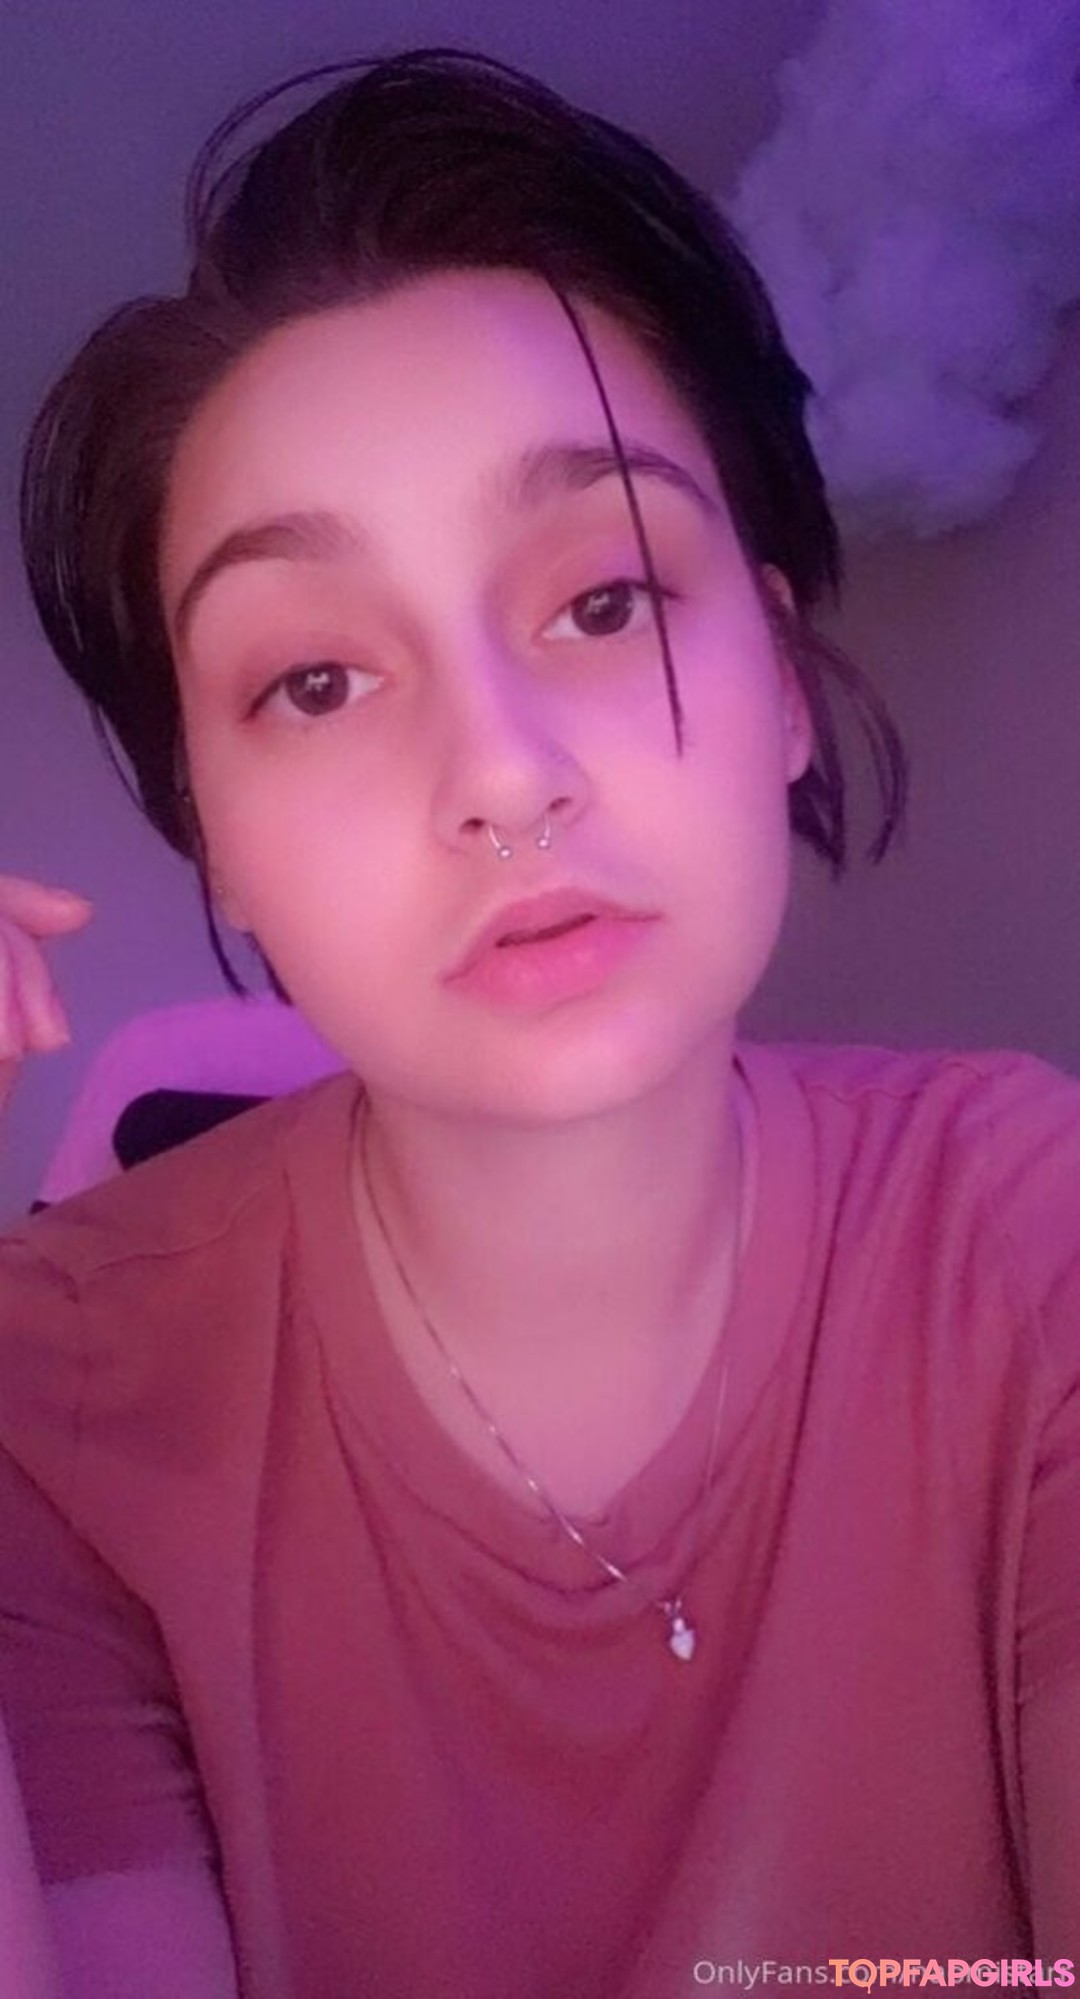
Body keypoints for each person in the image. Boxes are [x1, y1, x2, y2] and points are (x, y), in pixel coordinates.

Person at [0, 47, 1077, 1999]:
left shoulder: (1030, 1239)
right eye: (316, 681)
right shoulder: (48, 1396)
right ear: (213, 842)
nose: (501, 774)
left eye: (603, 601)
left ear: (780, 680)